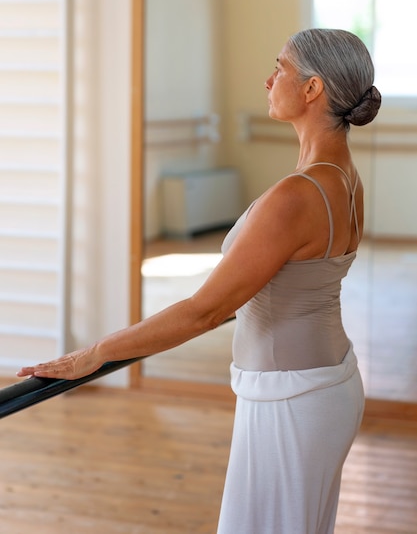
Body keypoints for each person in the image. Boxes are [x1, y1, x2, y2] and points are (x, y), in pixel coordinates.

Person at [18, 28, 381, 534]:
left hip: (293, 397)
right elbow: (257, 292)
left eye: (280, 67)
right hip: (319, 383)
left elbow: (204, 310)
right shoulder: (344, 177)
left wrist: (98, 351)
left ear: (313, 89)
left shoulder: (298, 195)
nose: (268, 78)